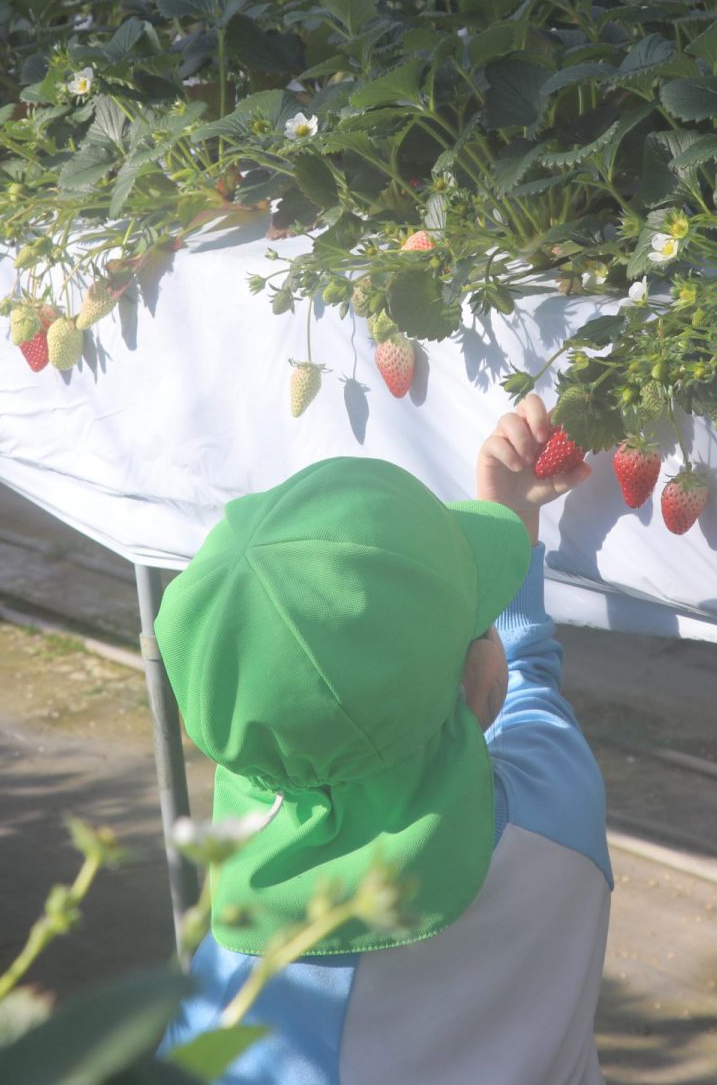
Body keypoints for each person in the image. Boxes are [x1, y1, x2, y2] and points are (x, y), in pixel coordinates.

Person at [154, 394, 613, 1084]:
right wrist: (514, 518)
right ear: (471, 689)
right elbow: (528, 684)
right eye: (480, 615)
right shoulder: (558, 800)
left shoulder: (236, 1001)